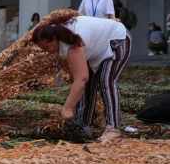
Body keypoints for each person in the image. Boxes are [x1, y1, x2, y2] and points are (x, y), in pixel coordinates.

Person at [31, 9, 131, 143]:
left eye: (46, 48)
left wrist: (67, 108)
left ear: (52, 40)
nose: (47, 52)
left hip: (117, 39)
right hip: (98, 48)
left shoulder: (72, 42)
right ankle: (83, 125)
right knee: (88, 85)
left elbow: (81, 78)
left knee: (106, 81)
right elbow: (79, 79)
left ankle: (113, 128)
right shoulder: (62, 35)